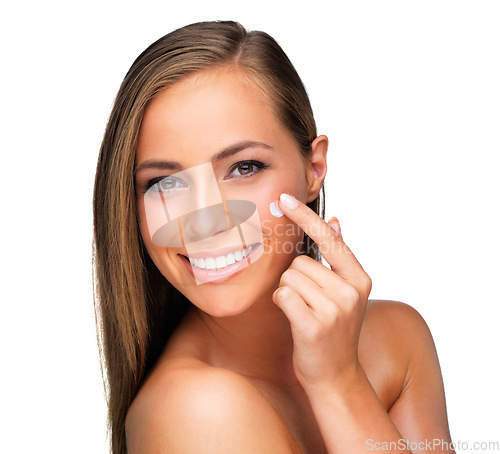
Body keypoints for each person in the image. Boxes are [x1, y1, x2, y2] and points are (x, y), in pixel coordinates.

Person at [93, 20, 455, 454]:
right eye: (165, 183)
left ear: (313, 169)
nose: (204, 223)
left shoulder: (398, 336)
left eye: (244, 168)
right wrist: (339, 384)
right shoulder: (196, 411)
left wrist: (339, 379)